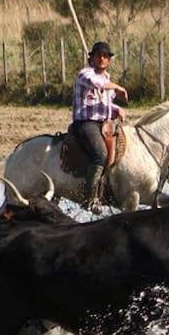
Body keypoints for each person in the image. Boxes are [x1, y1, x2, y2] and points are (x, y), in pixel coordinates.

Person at [70, 41, 129, 209]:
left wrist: (117, 110)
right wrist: (117, 87)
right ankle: (88, 198)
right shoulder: (85, 74)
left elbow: (105, 104)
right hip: (86, 123)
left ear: (109, 60)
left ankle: (109, 189)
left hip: (103, 123)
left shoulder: (107, 79)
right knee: (100, 154)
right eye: (98, 55)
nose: (102, 58)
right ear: (92, 58)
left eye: (105, 56)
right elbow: (96, 84)